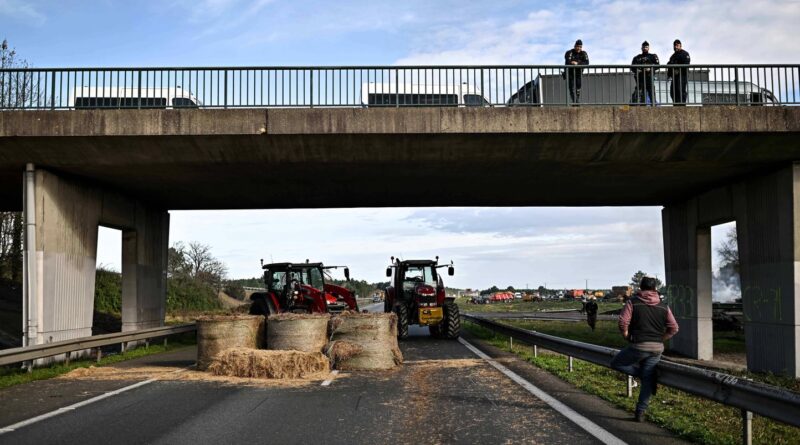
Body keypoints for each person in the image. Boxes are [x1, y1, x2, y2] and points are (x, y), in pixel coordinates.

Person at [610, 276, 679, 422]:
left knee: (616, 363)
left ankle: (642, 375)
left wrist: (626, 335)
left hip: (638, 346)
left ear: (640, 287)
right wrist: (661, 339)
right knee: (648, 379)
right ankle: (640, 412)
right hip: (657, 348)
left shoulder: (633, 302)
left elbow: (623, 321)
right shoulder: (664, 306)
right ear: (655, 289)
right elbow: (674, 328)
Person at [564, 39, 589, 104]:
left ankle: (576, 101)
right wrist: (573, 63)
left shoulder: (583, 53)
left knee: (578, 87)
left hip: (579, 73)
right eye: (578, 46)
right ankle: (575, 101)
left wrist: (577, 63)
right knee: (571, 88)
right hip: (570, 73)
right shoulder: (569, 52)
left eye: (580, 47)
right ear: (575, 46)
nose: (579, 48)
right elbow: (567, 62)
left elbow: (586, 63)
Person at [667, 39, 691, 105]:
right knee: (672, 92)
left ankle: (682, 106)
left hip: (682, 76)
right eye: (674, 45)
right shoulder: (673, 56)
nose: (676, 47)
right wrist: (669, 75)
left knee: (680, 90)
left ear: (680, 46)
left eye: (677, 45)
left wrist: (678, 70)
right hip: (674, 77)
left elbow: (686, 64)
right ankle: (676, 105)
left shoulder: (685, 54)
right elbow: (669, 65)